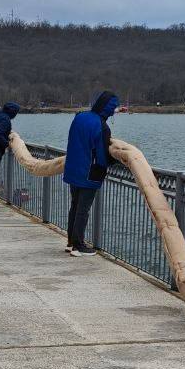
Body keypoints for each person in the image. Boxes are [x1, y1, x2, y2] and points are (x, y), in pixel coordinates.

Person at [63, 90, 119, 255]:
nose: (114, 111)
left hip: (73, 168)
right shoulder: (102, 126)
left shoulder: (80, 117)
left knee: (75, 206)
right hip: (89, 172)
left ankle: (70, 242)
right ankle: (78, 245)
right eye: (114, 108)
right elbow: (102, 153)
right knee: (83, 209)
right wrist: (113, 161)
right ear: (108, 108)